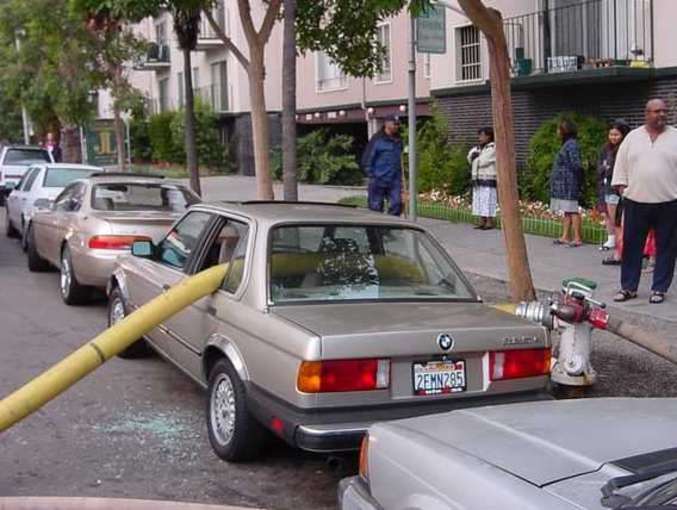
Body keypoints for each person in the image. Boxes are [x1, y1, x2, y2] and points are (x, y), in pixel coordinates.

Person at [611, 99, 677, 304]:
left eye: (664, 111)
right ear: (647, 113)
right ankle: (628, 287)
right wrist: (622, 187)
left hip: (668, 201)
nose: (661, 115)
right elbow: (620, 165)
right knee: (632, 246)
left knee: (666, 246)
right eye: (657, 111)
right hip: (637, 201)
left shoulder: (675, 136)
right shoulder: (633, 138)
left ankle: (659, 288)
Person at [597, 121, 630, 251]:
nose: (613, 137)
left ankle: (619, 243)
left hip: (617, 187)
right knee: (608, 214)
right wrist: (605, 168)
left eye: (616, 134)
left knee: (617, 216)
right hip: (605, 185)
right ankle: (611, 239)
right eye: (611, 134)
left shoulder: (624, 149)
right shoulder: (605, 149)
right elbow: (600, 166)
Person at [550, 119, 584, 247]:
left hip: (569, 182)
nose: (557, 132)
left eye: (559, 129)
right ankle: (565, 236)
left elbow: (576, 164)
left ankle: (577, 237)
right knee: (567, 210)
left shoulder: (571, 145)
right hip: (564, 182)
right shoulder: (568, 144)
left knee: (572, 209)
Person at [361, 115, 403, 216]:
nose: (396, 126)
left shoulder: (399, 140)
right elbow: (367, 160)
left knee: (396, 204)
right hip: (378, 179)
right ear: (387, 124)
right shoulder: (377, 139)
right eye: (394, 124)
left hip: (394, 180)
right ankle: (376, 230)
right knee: (375, 208)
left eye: (398, 124)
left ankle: (391, 227)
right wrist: (372, 175)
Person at [468, 127, 497, 230]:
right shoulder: (479, 148)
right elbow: (469, 157)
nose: (479, 138)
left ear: (489, 136)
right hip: (478, 178)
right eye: (479, 135)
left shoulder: (493, 147)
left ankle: (489, 222)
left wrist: (476, 157)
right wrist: (475, 157)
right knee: (479, 199)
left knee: (488, 199)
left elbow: (484, 161)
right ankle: (481, 220)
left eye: (482, 135)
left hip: (488, 178)